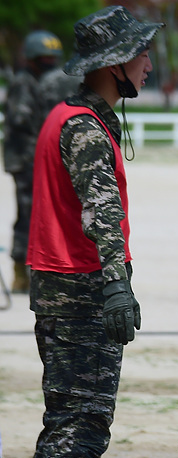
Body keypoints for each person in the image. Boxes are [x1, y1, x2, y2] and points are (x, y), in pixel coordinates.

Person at [17, 7, 162, 458]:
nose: (149, 64)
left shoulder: (69, 115)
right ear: (113, 65)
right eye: (141, 55)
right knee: (82, 426)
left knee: (65, 422)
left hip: (60, 285)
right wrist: (115, 286)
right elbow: (99, 210)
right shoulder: (82, 126)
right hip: (78, 289)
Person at [2, 30, 81, 295]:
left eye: (53, 57)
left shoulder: (46, 81)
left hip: (37, 159)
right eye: (45, 57)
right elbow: (22, 120)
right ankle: (19, 273)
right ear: (33, 58)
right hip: (25, 161)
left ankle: (35, 269)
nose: (50, 61)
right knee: (27, 215)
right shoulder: (24, 83)